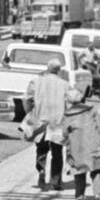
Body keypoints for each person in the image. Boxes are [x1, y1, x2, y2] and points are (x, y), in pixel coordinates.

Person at [62, 87, 100, 200]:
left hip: (77, 148)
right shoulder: (91, 110)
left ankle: (79, 199)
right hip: (95, 145)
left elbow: (64, 133)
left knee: (79, 173)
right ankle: (99, 195)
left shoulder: (67, 115)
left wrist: (67, 142)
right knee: (96, 171)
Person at [25, 59, 69, 191]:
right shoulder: (65, 84)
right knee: (57, 152)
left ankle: (41, 171)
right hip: (57, 121)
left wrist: (29, 114)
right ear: (58, 70)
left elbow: (26, 99)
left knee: (42, 149)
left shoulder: (36, 82)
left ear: (47, 68)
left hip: (41, 120)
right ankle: (55, 180)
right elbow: (72, 102)